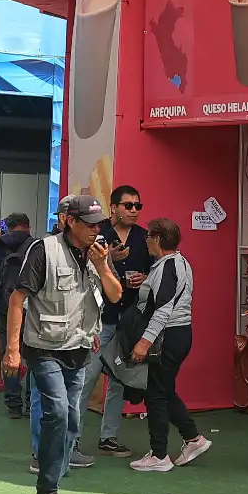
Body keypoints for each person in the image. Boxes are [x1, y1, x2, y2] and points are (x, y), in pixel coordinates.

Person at [3, 194, 128, 494]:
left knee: (71, 421)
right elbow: (18, 300)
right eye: (88, 224)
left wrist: (102, 265)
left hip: (81, 349)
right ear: (69, 221)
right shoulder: (44, 250)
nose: (94, 230)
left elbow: (115, 295)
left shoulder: (98, 252)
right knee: (57, 412)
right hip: (44, 347)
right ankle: (47, 491)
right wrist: (12, 350)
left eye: (98, 224)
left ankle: (51, 479)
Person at [129, 217, 210, 472]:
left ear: (158, 239)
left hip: (168, 335)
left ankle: (160, 455)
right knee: (163, 389)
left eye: (149, 236)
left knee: (155, 393)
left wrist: (144, 341)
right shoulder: (175, 263)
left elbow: (163, 309)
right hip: (177, 334)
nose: (146, 241)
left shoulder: (168, 266)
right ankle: (193, 439)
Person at [87, 184, 151, 456]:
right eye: (129, 205)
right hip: (102, 318)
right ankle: (71, 438)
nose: (134, 211)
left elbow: (156, 272)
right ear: (114, 207)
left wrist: (145, 279)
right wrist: (108, 260)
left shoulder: (145, 238)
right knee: (87, 377)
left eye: (138, 206)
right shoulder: (98, 235)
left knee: (118, 379)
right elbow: (84, 272)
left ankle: (108, 438)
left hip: (131, 320)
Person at [0, 213, 35, 415]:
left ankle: (13, 403)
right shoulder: (37, 245)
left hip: (6, 307)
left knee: (9, 352)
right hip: (31, 308)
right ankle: (31, 401)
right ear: (28, 226)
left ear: (9, 227)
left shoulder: (1, 245)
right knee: (32, 356)